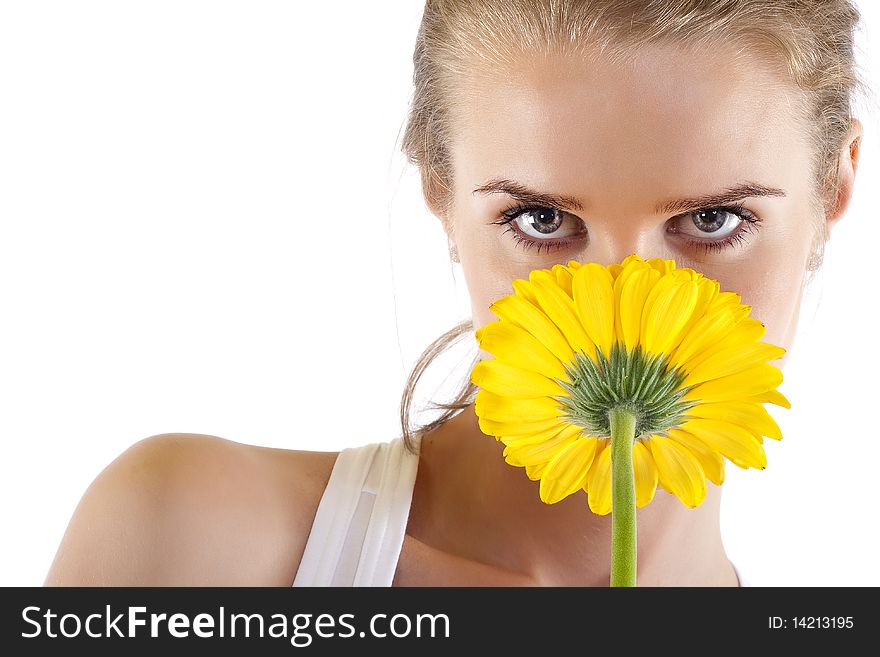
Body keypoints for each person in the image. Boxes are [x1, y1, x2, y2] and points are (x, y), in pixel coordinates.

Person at [45, 0, 865, 587]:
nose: (623, 301)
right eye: (542, 218)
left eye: (713, 219)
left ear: (835, 188)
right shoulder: (190, 540)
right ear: (440, 189)